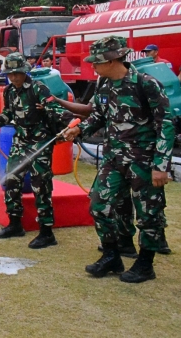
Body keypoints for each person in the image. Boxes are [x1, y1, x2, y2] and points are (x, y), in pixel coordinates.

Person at [63, 36, 174, 283]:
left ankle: (145, 263)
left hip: (143, 161)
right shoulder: (104, 85)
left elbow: (166, 124)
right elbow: (99, 117)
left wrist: (160, 165)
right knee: (98, 205)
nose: (93, 66)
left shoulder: (146, 84)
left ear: (113, 60)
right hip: (114, 158)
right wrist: (79, 129)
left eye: (97, 62)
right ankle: (112, 255)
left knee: (148, 214)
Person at [0, 53, 69, 249]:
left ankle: (46, 232)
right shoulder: (9, 91)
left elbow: (56, 109)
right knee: (11, 180)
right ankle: (14, 223)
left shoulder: (38, 88)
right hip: (20, 142)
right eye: (10, 74)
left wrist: (51, 112)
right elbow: (8, 113)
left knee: (41, 185)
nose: (13, 77)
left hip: (40, 143)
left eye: (16, 73)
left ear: (24, 71)